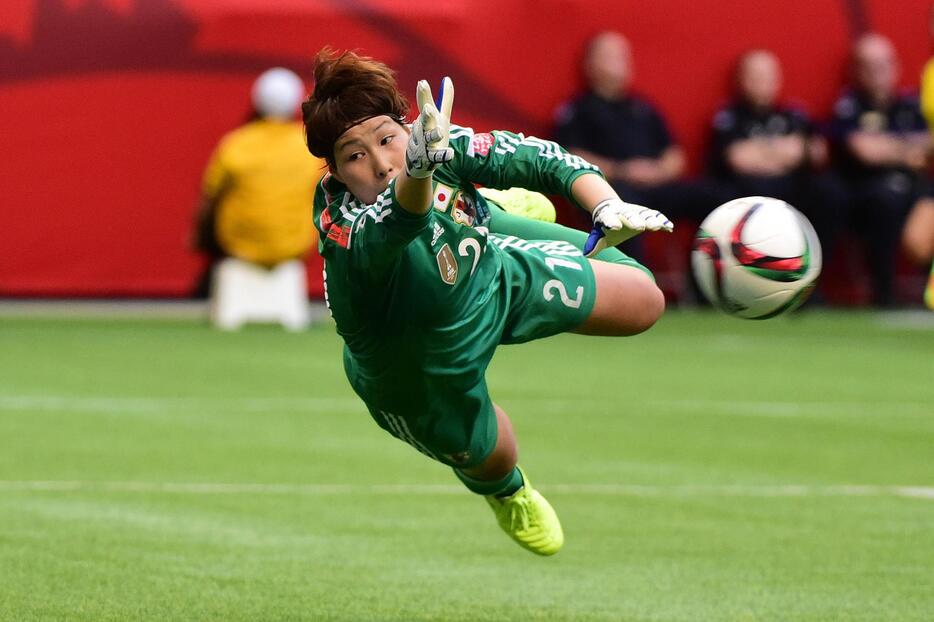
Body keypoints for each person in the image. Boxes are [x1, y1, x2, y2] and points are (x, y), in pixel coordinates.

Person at [302, 49, 671, 555]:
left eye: (387, 139)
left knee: (645, 301)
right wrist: (419, 169)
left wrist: (606, 203)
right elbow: (402, 215)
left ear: (406, 128)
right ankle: (508, 494)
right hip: (414, 360)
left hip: (489, 271)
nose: (382, 163)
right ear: (337, 173)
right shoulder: (343, 225)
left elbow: (541, 157)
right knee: (492, 455)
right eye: (355, 156)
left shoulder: (433, 143)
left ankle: (483, 210)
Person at [554, 31, 721, 263]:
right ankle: (635, 280)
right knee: (620, 209)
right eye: (610, 56)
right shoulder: (577, 110)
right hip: (611, 190)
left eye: (623, 56)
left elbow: (675, 156)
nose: (621, 63)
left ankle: (707, 278)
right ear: (590, 64)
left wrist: (655, 172)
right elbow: (571, 157)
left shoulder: (643, 108)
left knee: (711, 197)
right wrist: (622, 170)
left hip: (654, 187)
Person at [707, 50, 843, 287]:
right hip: (747, 193)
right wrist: (786, 150)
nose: (762, 83)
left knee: (830, 194)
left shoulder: (794, 114)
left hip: (793, 189)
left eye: (768, 76)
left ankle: (811, 279)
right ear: (741, 79)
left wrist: (764, 152)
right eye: (755, 76)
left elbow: (817, 152)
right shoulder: (730, 116)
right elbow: (739, 159)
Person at [193, 67, 326, 294]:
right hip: (293, 246)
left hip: (237, 245)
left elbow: (209, 201)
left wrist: (200, 238)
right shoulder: (309, 150)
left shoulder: (236, 144)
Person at [829, 34, 932, 306]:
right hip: (867, 192)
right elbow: (866, 151)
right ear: (856, 70)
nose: (877, 72)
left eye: (883, 64)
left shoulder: (911, 105)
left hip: (914, 190)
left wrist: (890, 146)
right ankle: (883, 292)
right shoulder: (849, 105)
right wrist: (909, 148)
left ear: (896, 66)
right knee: (884, 200)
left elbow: (929, 148)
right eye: (869, 65)